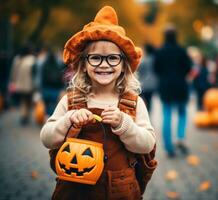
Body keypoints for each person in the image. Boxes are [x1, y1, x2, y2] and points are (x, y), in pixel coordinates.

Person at [40, 6, 156, 199]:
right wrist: (68, 120)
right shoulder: (71, 101)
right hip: (74, 190)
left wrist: (124, 124)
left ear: (123, 65)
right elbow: (47, 138)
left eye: (112, 58)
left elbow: (147, 145)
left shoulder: (134, 103)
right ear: (84, 64)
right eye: (95, 58)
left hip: (120, 192)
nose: (104, 64)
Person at [154, 24, 192, 157]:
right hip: (180, 86)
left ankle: (169, 147)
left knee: (167, 115)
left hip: (166, 87)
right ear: (176, 36)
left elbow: (156, 69)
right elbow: (188, 68)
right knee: (182, 113)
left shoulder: (160, 51)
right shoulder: (182, 50)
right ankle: (180, 137)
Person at [8, 46, 36, 125]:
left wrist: (13, 81)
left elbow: (13, 72)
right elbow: (34, 73)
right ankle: (26, 116)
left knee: (23, 100)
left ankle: (23, 115)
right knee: (28, 100)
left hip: (19, 84)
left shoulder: (17, 59)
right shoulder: (32, 59)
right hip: (29, 84)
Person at [138, 43, 158, 112]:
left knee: (142, 100)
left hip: (144, 83)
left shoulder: (144, 60)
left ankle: (144, 113)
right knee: (149, 101)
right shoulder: (155, 59)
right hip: (153, 83)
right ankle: (148, 113)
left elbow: (140, 71)